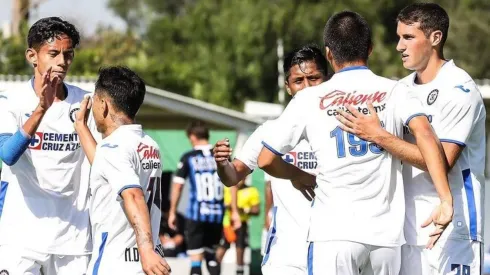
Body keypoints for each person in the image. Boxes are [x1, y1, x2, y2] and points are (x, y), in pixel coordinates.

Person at [257, 11, 453, 275]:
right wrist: (445, 200)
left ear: (328, 54)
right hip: (386, 238)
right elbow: (427, 137)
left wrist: (298, 176)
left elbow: (265, 160)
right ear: (370, 48)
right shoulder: (395, 91)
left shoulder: (308, 99)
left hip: (333, 235)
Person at [336, 3, 486, 274]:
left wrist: (378, 135)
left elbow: (442, 161)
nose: (399, 46)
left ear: (435, 38)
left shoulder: (460, 89)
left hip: (452, 231)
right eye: (398, 37)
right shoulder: (400, 89)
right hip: (404, 232)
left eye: (408, 37)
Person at [213, 45, 328, 274]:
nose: (306, 88)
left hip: (335, 251)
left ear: (328, 79)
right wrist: (222, 163)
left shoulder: (346, 126)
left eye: (314, 78)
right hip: (286, 257)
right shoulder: (270, 130)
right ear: (287, 86)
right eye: (298, 81)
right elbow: (233, 175)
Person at [0, 17, 97, 274]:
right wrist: (42, 109)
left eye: (68, 54)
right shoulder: (11, 100)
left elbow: (101, 162)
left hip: (72, 239)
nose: (62, 62)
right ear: (33, 56)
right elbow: (7, 155)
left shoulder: (85, 102)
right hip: (21, 237)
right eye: (53, 53)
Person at [75, 66, 171, 274]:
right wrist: (81, 127)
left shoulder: (114, 148)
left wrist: (144, 250)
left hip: (117, 262)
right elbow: (106, 165)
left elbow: (134, 196)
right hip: (150, 262)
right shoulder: (148, 144)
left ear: (104, 105)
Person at [168, 120, 224, 275]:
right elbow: (232, 183)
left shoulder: (189, 157)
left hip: (196, 214)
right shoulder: (220, 156)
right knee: (212, 258)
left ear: (192, 137)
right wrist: (233, 212)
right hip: (217, 214)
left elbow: (177, 185)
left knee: (195, 259)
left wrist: (172, 211)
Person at [216, 179, 260, 275]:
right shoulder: (229, 188)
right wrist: (236, 209)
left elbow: (256, 210)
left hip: (242, 223)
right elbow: (226, 204)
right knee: (222, 248)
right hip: (228, 224)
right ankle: (214, 269)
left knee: (240, 248)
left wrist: (245, 210)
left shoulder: (251, 191)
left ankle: (239, 270)